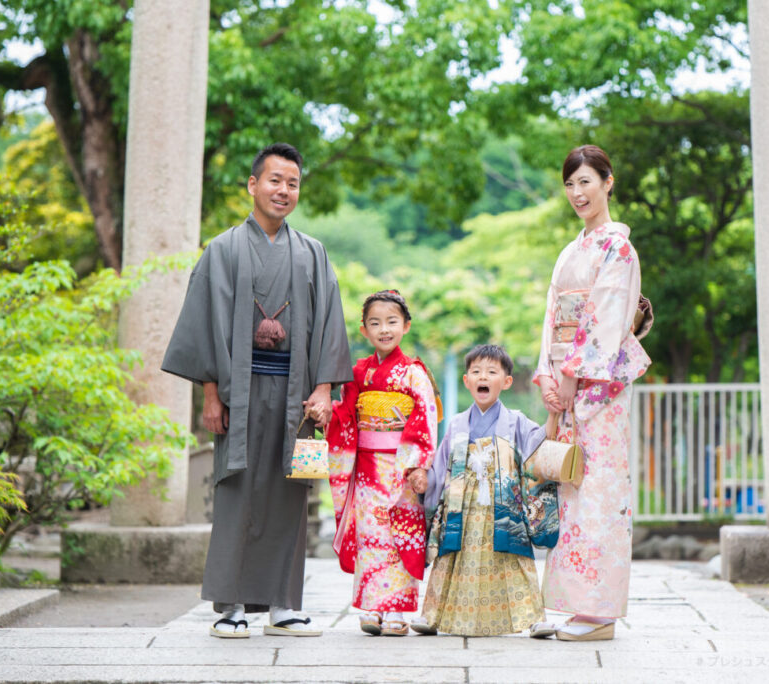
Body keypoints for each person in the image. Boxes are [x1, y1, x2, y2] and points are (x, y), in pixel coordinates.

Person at [161, 142, 352, 638]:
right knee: (236, 491)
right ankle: (230, 608)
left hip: (298, 396)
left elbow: (330, 323)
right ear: (252, 185)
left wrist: (325, 388)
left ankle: (283, 606)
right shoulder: (222, 250)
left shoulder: (312, 252)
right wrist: (209, 394)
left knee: (291, 496)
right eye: (274, 180)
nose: (283, 190)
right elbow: (203, 325)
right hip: (238, 393)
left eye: (292, 183)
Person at [535, 144, 651, 641]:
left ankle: (600, 613)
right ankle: (574, 605)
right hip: (568, 381)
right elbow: (553, 315)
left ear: (608, 182)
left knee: (599, 490)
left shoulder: (617, 249)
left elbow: (606, 318)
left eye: (587, 181)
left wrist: (571, 378)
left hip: (597, 388)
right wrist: (547, 373)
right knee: (571, 490)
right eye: (570, 183)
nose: (578, 192)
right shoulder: (572, 250)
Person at [415, 344, 555, 638]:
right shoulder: (456, 424)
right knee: (450, 559)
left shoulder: (515, 421)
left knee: (514, 560)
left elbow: (538, 445)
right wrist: (425, 481)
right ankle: (433, 616)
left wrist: (553, 415)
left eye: (492, 372)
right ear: (467, 381)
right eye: (476, 371)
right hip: (462, 508)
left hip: (503, 508)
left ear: (506, 382)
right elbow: (440, 468)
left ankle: (534, 618)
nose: (483, 376)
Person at [326, 290, 440, 637]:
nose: (384, 329)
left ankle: (399, 610)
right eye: (375, 323)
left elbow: (425, 416)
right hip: (365, 470)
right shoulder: (359, 372)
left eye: (392, 322)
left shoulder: (413, 372)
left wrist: (419, 464)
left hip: (400, 468)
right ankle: (373, 607)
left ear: (406, 325)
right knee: (370, 536)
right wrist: (327, 413)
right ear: (364, 330)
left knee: (400, 535)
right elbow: (346, 414)